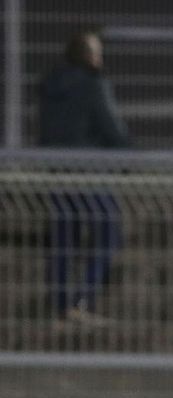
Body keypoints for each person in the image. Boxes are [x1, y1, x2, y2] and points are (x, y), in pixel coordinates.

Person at [38, 31, 129, 323]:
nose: (100, 58)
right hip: (89, 174)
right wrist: (137, 157)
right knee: (108, 235)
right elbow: (112, 131)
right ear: (88, 56)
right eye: (97, 52)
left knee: (65, 239)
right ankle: (81, 299)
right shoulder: (94, 86)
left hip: (57, 174)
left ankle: (61, 305)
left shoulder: (49, 86)